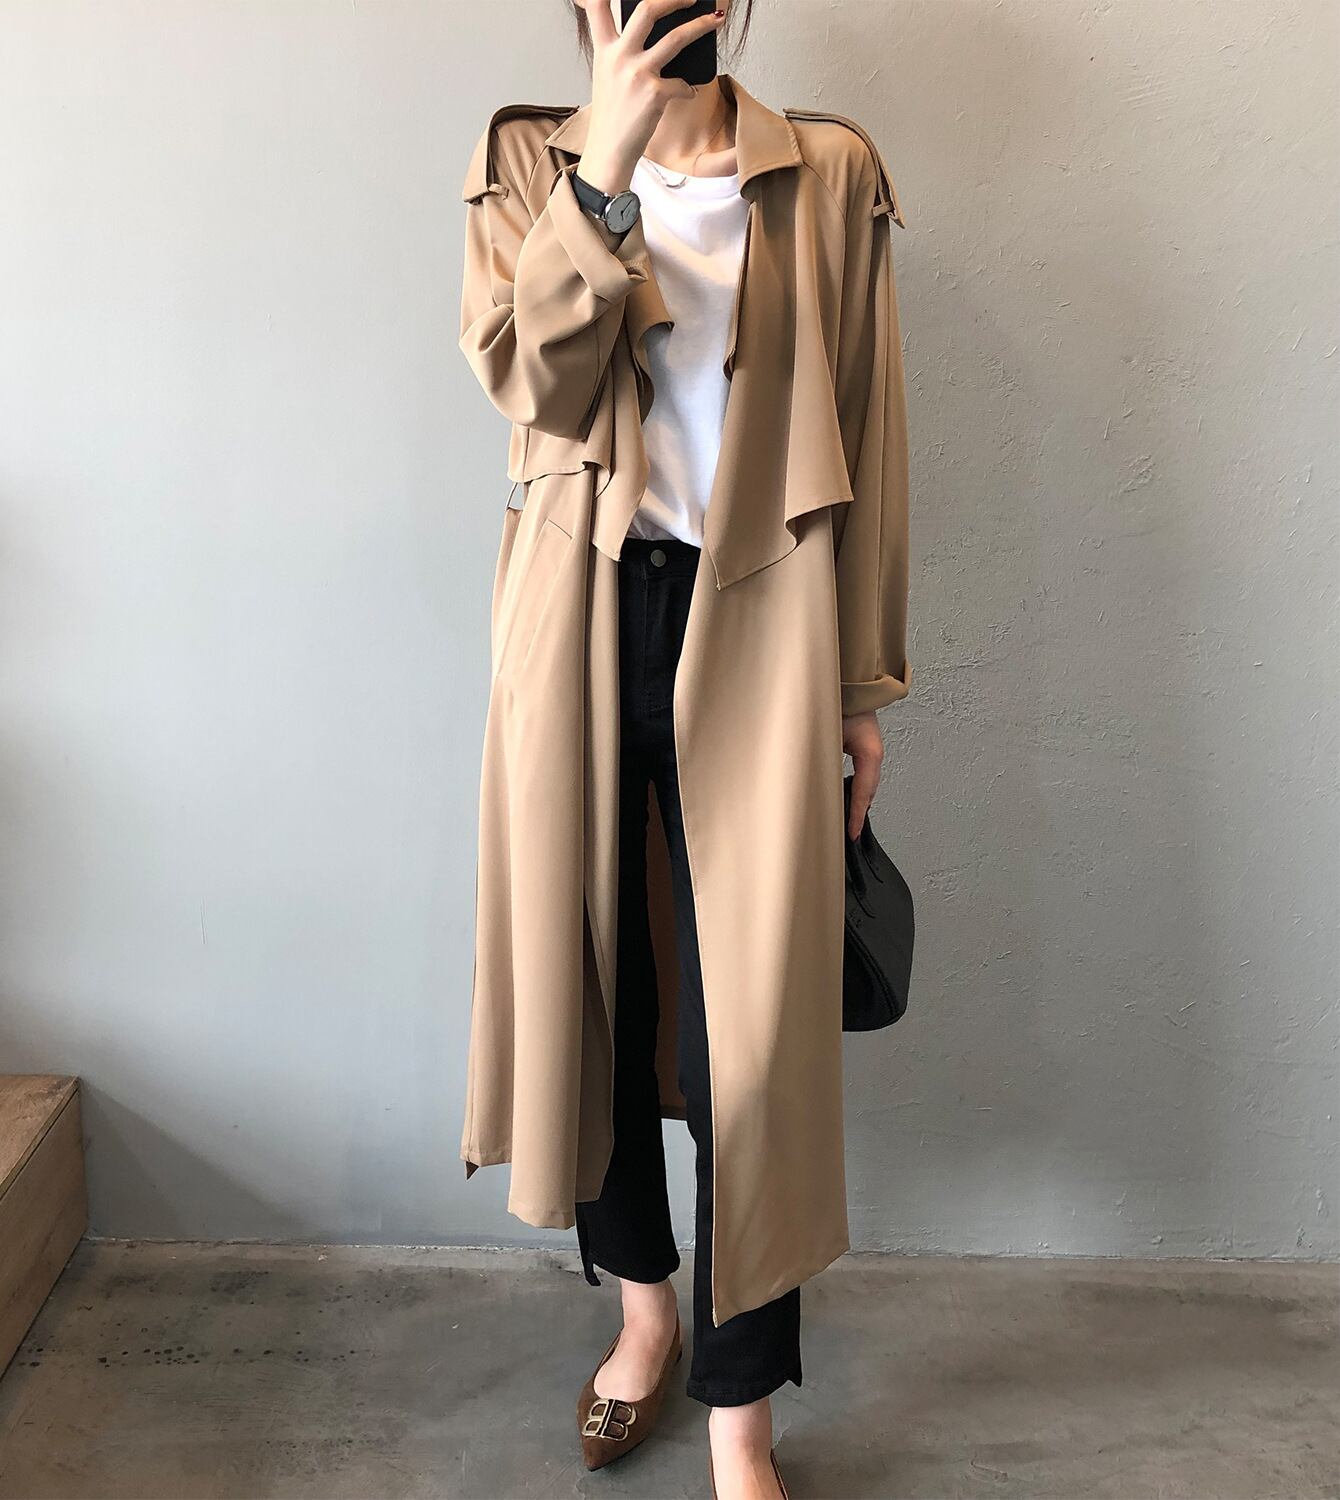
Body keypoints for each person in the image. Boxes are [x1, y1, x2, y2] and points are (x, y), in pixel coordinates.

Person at [456, 2, 912, 1495]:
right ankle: (644, 1317)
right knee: (596, 993)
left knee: (749, 1051)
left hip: (765, 624)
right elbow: (532, 379)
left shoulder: (827, 173)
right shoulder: (528, 162)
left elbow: (870, 435)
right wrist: (606, 159)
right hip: (581, 622)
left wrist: (860, 684)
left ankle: (740, 1420)